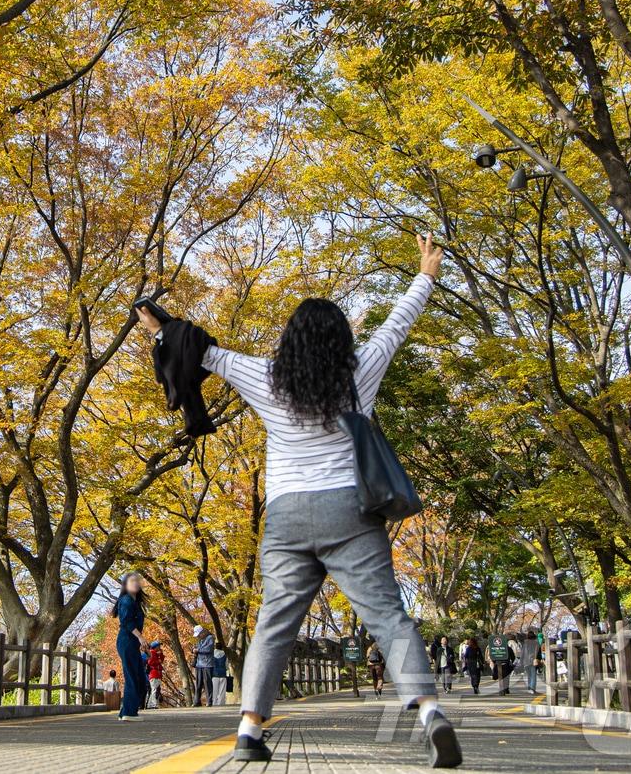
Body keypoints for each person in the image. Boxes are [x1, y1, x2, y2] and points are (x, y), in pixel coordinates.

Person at [137, 233, 461, 769]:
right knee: (388, 617)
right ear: (340, 341)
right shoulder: (361, 372)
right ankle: (429, 712)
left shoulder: (266, 375)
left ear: (290, 339)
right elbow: (398, 324)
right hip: (350, 510)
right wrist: (426, 272)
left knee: (274, 621)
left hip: (286, 515)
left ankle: (248, 729)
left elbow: (205, 352)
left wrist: (159, 327)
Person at [113, 572, 148, 721]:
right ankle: (129, 713)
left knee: (139, 677)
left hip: (131, 642)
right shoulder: (126, 600)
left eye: (137, 581)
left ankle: (125, 712)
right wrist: (140, 637)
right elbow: (126, 621)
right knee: (134, 676)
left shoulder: (135, 602)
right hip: (127, 640)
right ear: (125, 585)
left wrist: (141, 641)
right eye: (132, 581)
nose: (135, 583)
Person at [193, 626, 215, 706]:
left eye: (199, 634)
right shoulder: (200, 640)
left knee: (207, 683)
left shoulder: (210, 638)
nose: (198, 636)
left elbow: (209, 649)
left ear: (203, 632)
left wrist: (198, 650)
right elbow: (197, 649)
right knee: (198, 683)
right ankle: (196, 701)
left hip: (207, 664)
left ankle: (209, 701)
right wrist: (194, 650)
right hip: (199, 664)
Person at [147, 640, 166, 708]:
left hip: (158, 673)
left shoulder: (157, 653)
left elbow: (162, 660)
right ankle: (154, 704)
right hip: (154, 673)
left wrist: (161, 654)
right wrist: (158, 661)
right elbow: (150, 662)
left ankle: (149, 705)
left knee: (155, 689)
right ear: (155, 647)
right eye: (158, 646)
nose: (160, 647)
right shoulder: (152, 653)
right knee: (154, 689)